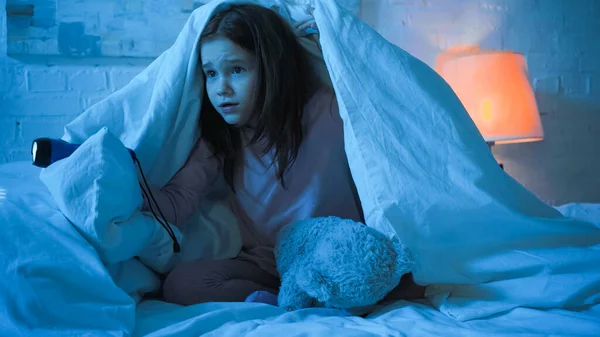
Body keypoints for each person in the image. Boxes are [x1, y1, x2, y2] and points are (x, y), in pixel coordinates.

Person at [143, 3, 423, 306]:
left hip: (336, 254)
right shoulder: (219, 140)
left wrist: (327, 44)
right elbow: (177, 202)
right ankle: (286, 300)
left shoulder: (327, 111)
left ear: (270, 66)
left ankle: (323, 295)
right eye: (210, 73)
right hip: (270, 264)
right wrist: (123, 184)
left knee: (401, 275)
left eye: (236, 70)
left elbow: (378, 96)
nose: (220, 88)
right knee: (181, 284)